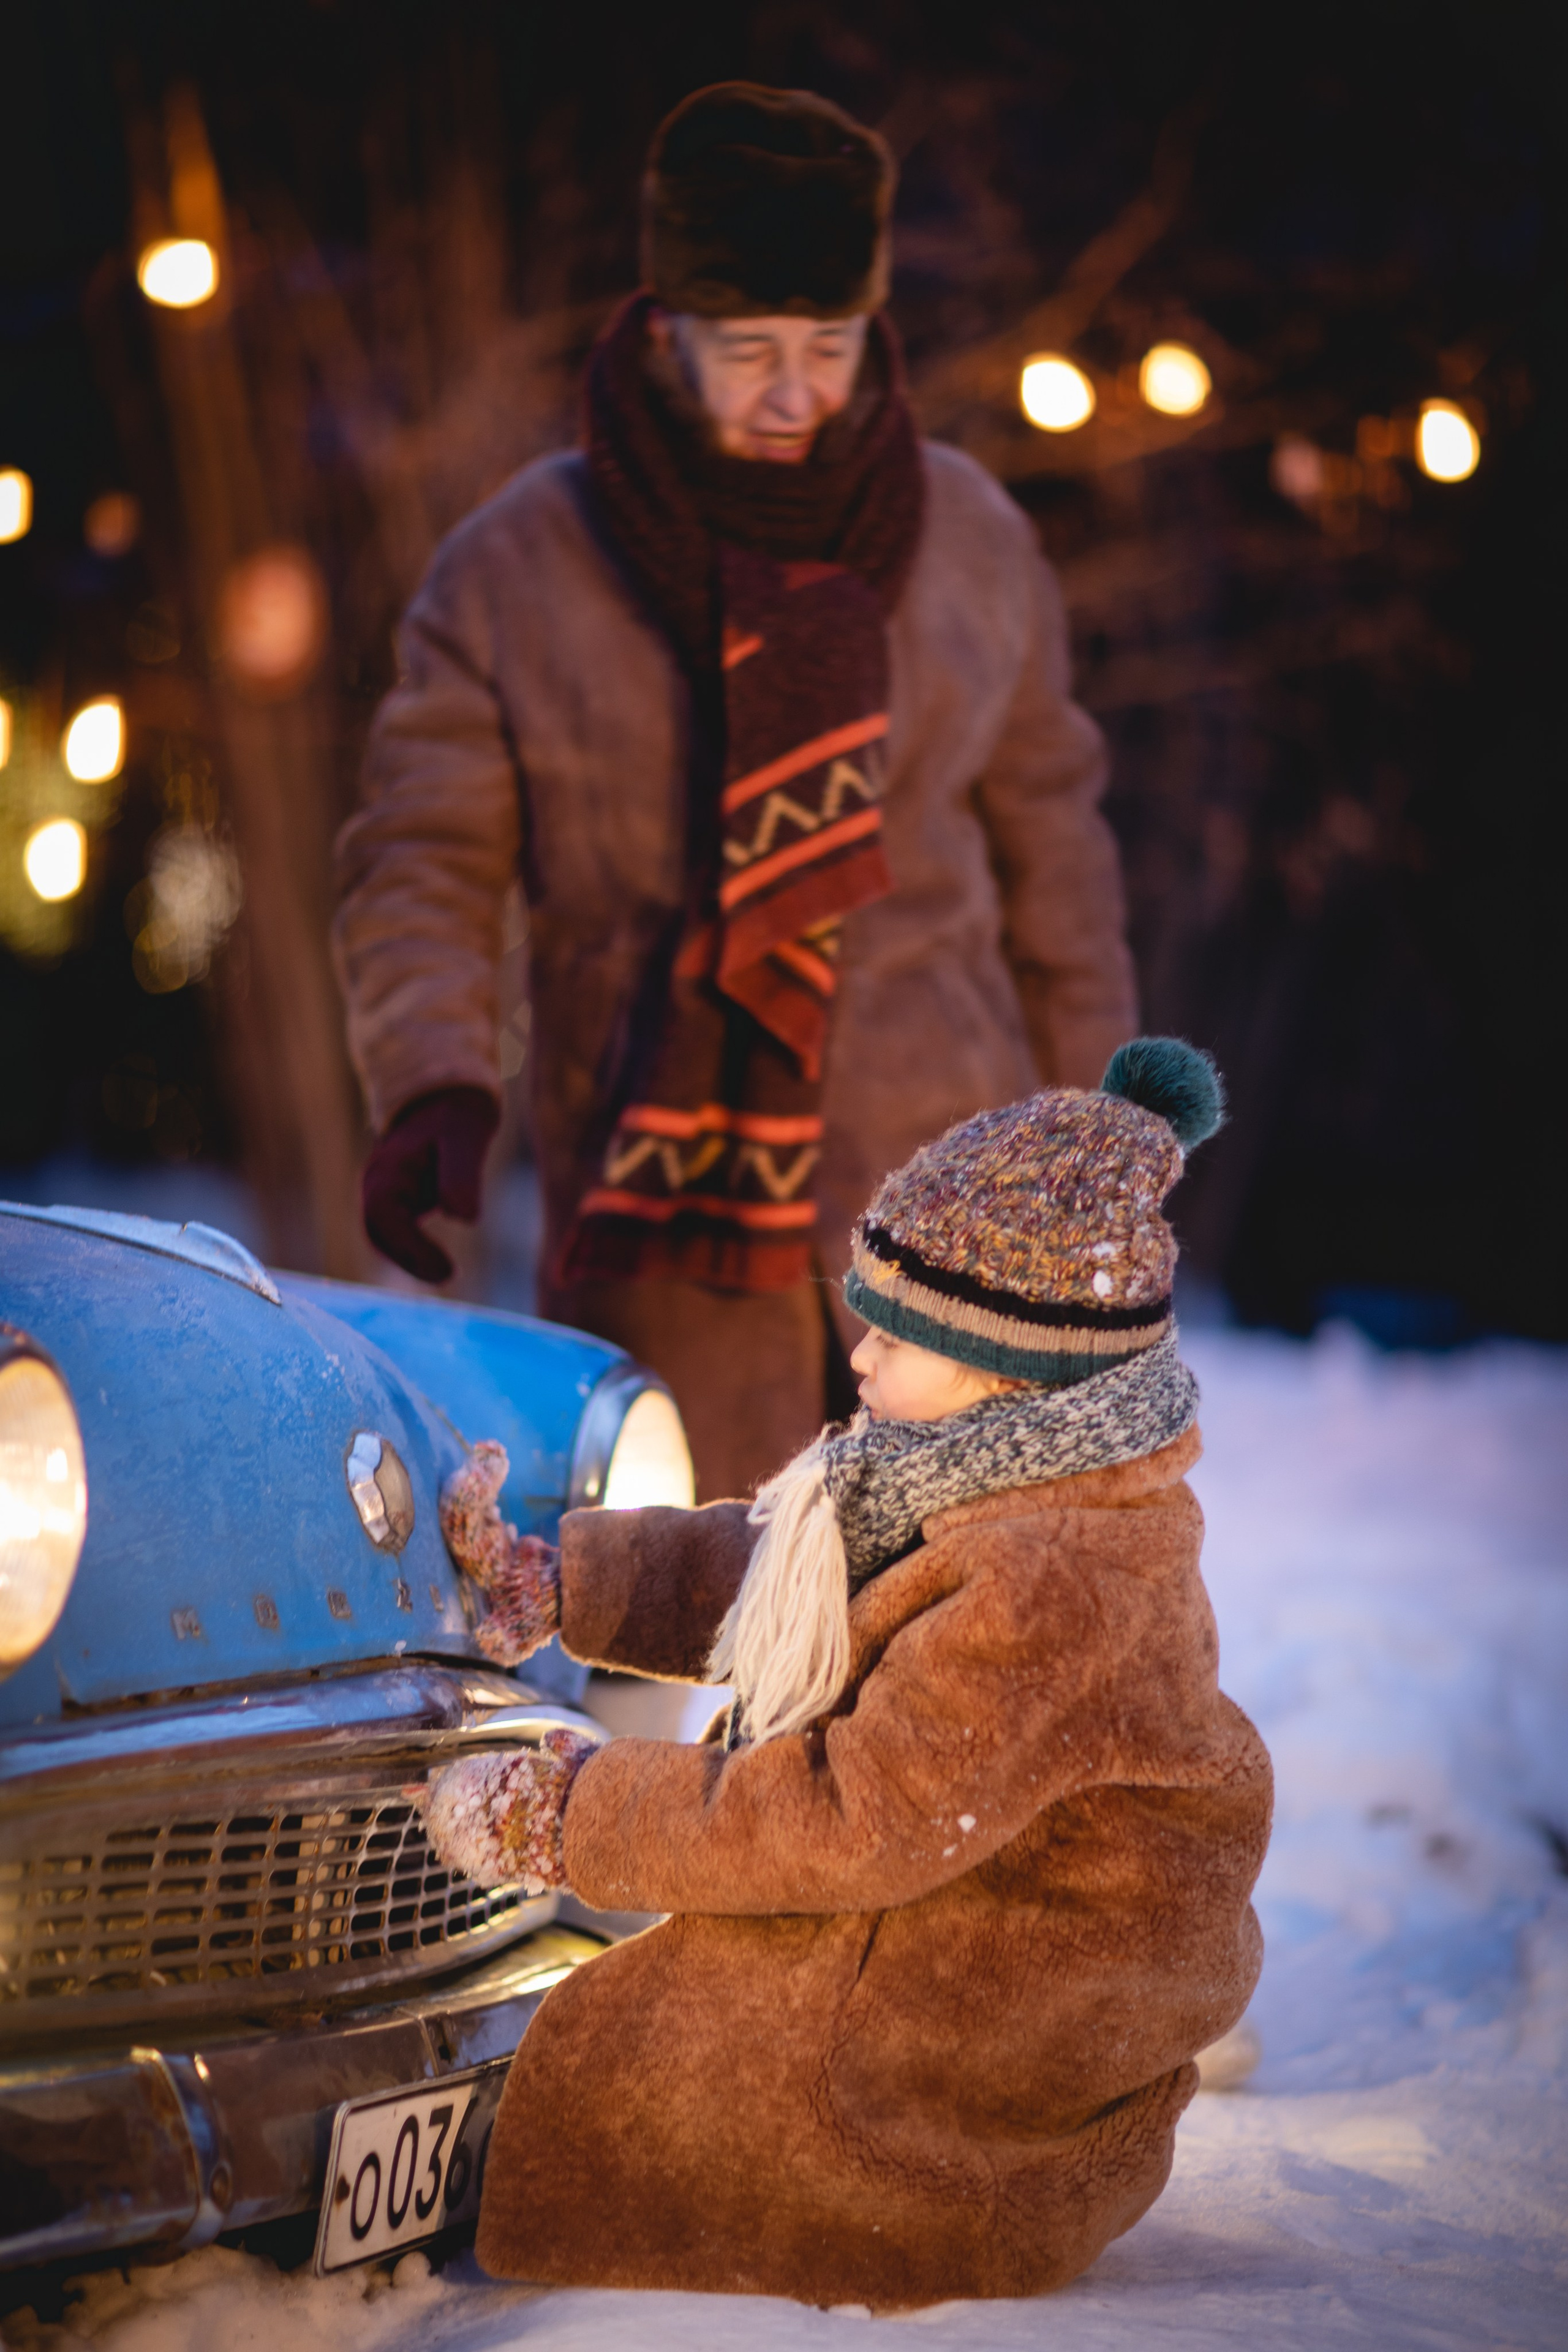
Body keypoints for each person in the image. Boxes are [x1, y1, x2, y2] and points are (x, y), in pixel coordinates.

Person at [333, 81, 1137, 1503]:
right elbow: (424, 851)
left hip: (949, 1207)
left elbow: (1053, 862)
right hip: (662, 1241)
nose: (790, 393)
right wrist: (434, 1082)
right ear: (661, 334)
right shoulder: (521, 565)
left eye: (825, 347)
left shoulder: (970, 542)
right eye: (747, 349)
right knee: (684, 1626)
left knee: (956, 1663)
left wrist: (1104, 1140)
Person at [415, 1038, 1273, 2308]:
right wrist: (568, 1586)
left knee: (699, 2061)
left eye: (895, 1336)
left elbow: (848, 1818)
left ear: (1007, 1366)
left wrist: (577, 1814)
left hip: (995, 2034)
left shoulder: (1056, 1581)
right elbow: (778, 1577)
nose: (855, 1356)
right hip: (960, 1898)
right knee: (674, 2029)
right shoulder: (974, 1475)